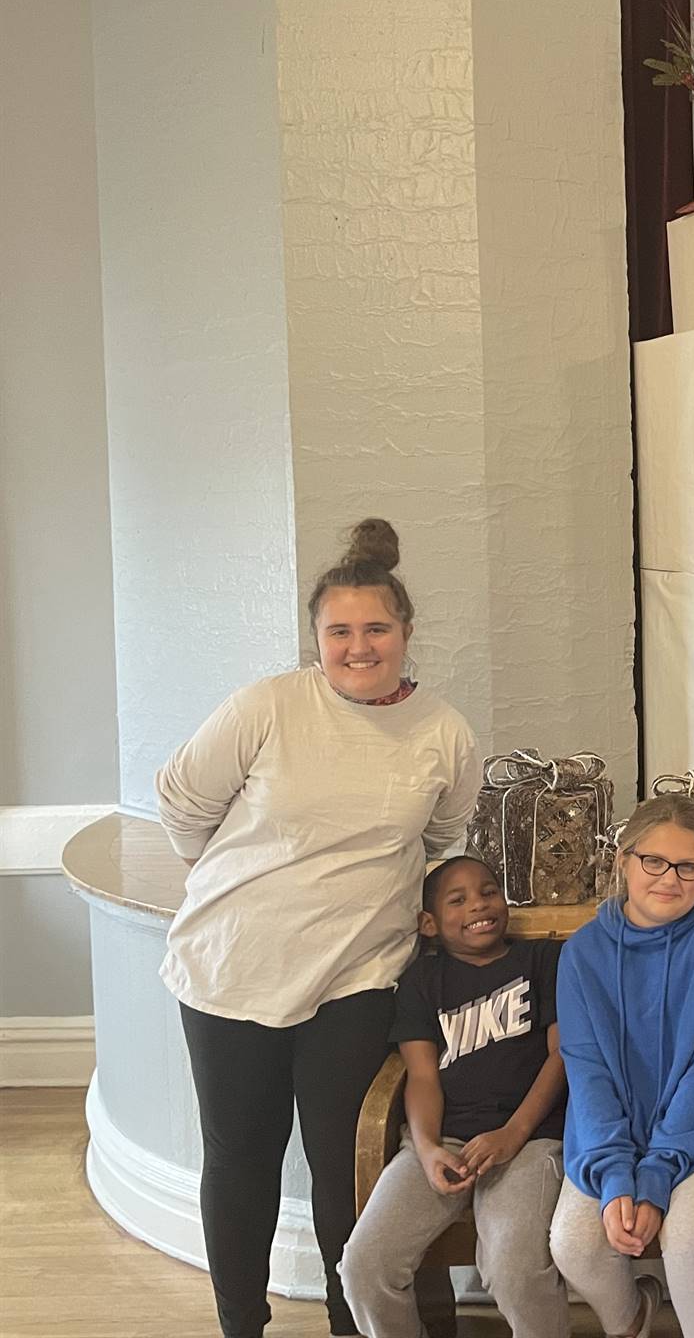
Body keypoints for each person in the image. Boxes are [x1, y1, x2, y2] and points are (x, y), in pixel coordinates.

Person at [157, 518, 481, 1338]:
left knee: (348, 1169)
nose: (358, 646)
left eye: (376, 629)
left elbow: (440, 840)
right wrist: (240, 885)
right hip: (231, 969)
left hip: (357, 977)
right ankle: (241, 1325)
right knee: (241, 1162)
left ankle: (356, 1324)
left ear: (407, 634)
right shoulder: (266, 707)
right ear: (316, 638)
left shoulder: (443, 732)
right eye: (339, 631)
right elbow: (182, 801)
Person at [548, 795, 694, 1338]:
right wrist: (616, 1176)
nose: (670, 878)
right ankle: (631, 1321)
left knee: (690, 1236)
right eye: (653, 861)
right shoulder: (582, 953)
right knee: (574, 1242)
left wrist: (658, 1173)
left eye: (688, 866)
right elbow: (587, 1073)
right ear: (624, 860)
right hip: (607, 1137)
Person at [341, 856, 569, 1336]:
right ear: (429, 923)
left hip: (528, 1141)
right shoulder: (422, 983)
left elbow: (561, 1057)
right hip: (442, 1142)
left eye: (488, 891)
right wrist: (425, 1149)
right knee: (364, 1265)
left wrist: (513, 1133)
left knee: (512, 1266)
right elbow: (421, 1077)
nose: (479, 905)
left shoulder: (542, 962)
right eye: (458, 899)